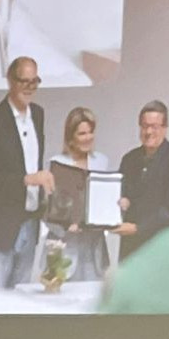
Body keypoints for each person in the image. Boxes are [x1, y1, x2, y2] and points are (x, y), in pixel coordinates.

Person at [0, 55, 53, 287]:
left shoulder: (38, 115)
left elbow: (34, 162)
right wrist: (28, 179)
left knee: (22, 299)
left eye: (34, 81)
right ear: (10, 80)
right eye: (23, 81)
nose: (29, 87)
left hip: (30, 222)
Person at [117, 100, 169, 260]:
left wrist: (138, 228)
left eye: (154, 126)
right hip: (132, 249)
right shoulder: (129, 159)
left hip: (164, 247)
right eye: (144, 126)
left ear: (165, 128)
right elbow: (120, 193)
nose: (149, 131)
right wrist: (122, 201)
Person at [46, 106, 111, 280]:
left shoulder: (102, 162)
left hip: (94, 246)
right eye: (82, 133)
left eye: (90, 132)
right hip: (66, 245)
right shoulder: (57, 163)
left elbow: (105, 201)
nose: (88, 137)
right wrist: (65, 227)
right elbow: (48, 211)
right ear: (70, 138)